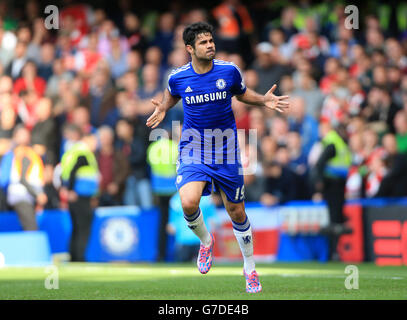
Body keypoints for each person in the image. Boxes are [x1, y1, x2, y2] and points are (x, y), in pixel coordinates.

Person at [146, 22, 289, 293]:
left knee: (237, 211)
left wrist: (264, 101)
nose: (210, 45)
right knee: (188, 202)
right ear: (190, 48)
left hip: (225, 149)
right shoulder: (177, 77)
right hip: (193, 148)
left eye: (211, 40)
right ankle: (206, 241)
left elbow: (242, 93)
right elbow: (173, 94)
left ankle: (250, 270)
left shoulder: (229, 71)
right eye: (203, 42)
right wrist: (164, 107)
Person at [312, 121, 352, 261]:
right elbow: (320, 163)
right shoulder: (335, 142)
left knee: (335, 219)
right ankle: (332, 252)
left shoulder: (335, 141)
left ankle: (333, 252)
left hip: (337, 185)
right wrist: (320, 182)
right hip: (334, 185)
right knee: (334, 220)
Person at [60, 130, 100, 262]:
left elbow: (63, 172)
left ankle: (73, 256)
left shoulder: (71, 152)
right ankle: (80, 257)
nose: (96, 144)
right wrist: (71, 190)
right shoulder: (83, 153)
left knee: (76, 227)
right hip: (80, 196)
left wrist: (66, 189)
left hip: (75, 195)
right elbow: (73, 171)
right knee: (83, 228)